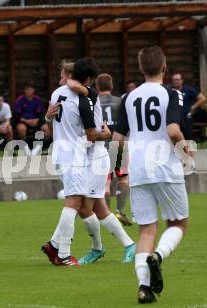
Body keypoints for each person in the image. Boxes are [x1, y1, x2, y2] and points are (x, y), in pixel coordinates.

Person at [113, 46, 192, 304]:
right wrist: (186, 153)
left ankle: (144, 287)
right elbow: (172, 130)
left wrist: (119, 171)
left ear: (140, 68)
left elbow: (117, 139)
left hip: (139, 169)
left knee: (146, 230)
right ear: (165, 67)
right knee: (178, 222)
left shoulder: (128, 97)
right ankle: (158, 256)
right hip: (165, 166)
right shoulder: (172, 94)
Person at [43, 63, 136, 266]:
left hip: (92, 157)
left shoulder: (69, 95)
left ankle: (64, 247)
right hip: (81, 156)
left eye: (64, 75)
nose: (62, 78)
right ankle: (92, 248)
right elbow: (94, 134)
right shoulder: (84, 97)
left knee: (85, 206)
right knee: (89, 207)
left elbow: (91, 135)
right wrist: (106, 134)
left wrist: (47, 117)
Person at [41, 58, 110, 266]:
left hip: (61, 152)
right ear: (88, 79)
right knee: (73, 202)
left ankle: (54, 245)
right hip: (75, 156)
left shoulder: (56, 93)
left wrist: (47, 119)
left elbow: (53, 127)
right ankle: (63, 254)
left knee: (77, 202)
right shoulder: (83, 101)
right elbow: (90, 136)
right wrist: (105, 134)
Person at [97, 73, 132, 226]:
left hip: (101, 146)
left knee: (105, 182)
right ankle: (120, 211)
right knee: (123, 179)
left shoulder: (94, 102)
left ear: (97, 86)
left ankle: (106, 216)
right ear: (111, 86)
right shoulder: (120, 101)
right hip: (119, 144)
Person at [15, 84, 50, 155]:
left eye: (30, 89)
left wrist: (36, 120)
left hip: (36, 121)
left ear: (33, 90)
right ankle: (26, 149)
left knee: (47, 128)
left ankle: (39, 148)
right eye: (27, 89)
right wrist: (26, 121)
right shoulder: (20, 100)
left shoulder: (38, 100)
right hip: (24, 121)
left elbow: (41, 113)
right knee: (21, 128)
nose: (28, 91)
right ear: (24, 91)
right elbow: (17, 115)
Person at [171, 73, 206, 140]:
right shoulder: (170, 91)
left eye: (177, 80)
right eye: (174, 80)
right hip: (174, 118)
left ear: (182, 80)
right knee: (175, 138)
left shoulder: (188, 90)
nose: (176, 81)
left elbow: (202, 98)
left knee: (188, 138)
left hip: (186, 117)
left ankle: (190, 150)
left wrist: (193, 107)